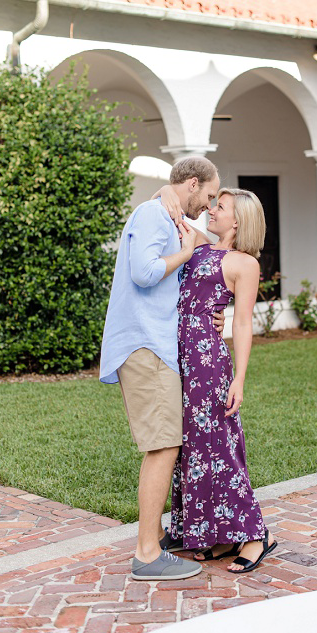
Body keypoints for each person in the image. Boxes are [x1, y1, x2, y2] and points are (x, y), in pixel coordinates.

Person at [99, 156, 220, 581]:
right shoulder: (154, 214)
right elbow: (144, 272)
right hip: (145, 344)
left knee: (166, 444)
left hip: (155, 345)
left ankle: (153, 544)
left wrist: (167, 197)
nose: (208, 205)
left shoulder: (166, 213)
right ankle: (147, 554)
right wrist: (183, 251)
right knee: (163, 446)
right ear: (191, 184)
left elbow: (212, 244)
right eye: (207, 195)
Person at [165, 188, 278, 573]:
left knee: (220, 449)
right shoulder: (196, 244)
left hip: (209, 366)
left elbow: (243, 323)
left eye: (220, 206)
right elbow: (168, 206)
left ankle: (255, 535)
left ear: (238, 221)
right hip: (180, 363)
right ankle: (217, 535)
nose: (211, 210)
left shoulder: (243, 263)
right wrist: (168, 188)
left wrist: (240, 380)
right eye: (213, 203)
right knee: (192, 450)